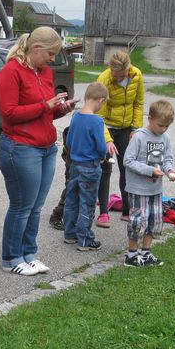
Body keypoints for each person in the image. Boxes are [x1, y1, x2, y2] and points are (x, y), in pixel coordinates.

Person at [0, 27, 76, 275]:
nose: (53, 59)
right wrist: (44, 105)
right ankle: (11, 258)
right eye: (50, 53)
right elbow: (8, 113)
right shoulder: (10, 72)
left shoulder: (46, 72)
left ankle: (29, 253)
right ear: (37, 48)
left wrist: (60, 109)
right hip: (20, 147)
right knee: (21, 205)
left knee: (36, 206)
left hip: (45, 147)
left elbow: (46, 112)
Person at [123, 100, 175, 267]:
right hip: (138, 188)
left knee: (154, 221)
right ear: (150, 118)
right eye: (160, 125)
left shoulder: (165, 138)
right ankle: (131, 255)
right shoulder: (139, 137)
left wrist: (170, 171)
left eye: (166, 127)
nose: (163, 129)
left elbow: (167, 160)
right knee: (138, 222)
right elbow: (128, 160)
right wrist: (149, 170)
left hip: (155, 189)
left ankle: (146, 253)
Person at [95, 49, 145, 228]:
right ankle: (103, 214)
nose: (118, 79)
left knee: (127, 167)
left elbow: (138, 103)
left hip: (126, 128)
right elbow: (98, 115)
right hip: (107, 125)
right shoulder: (103, 79)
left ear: (128, 69)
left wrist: (135, 128)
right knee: (106, 168)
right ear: (110, 70)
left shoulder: (137, 75)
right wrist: (107, 140)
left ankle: (127, 209)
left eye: (121, 75)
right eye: (115, 76)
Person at [62, 82, 109, 251]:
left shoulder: (75, 116)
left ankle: (69, 233)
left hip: (75, 165)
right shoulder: (96, 121)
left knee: (72, 199)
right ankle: (84, 239)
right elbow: (102, 147)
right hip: (90, 166)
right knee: (87, 203)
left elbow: (68, 141)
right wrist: (103, 157)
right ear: (101, 100)